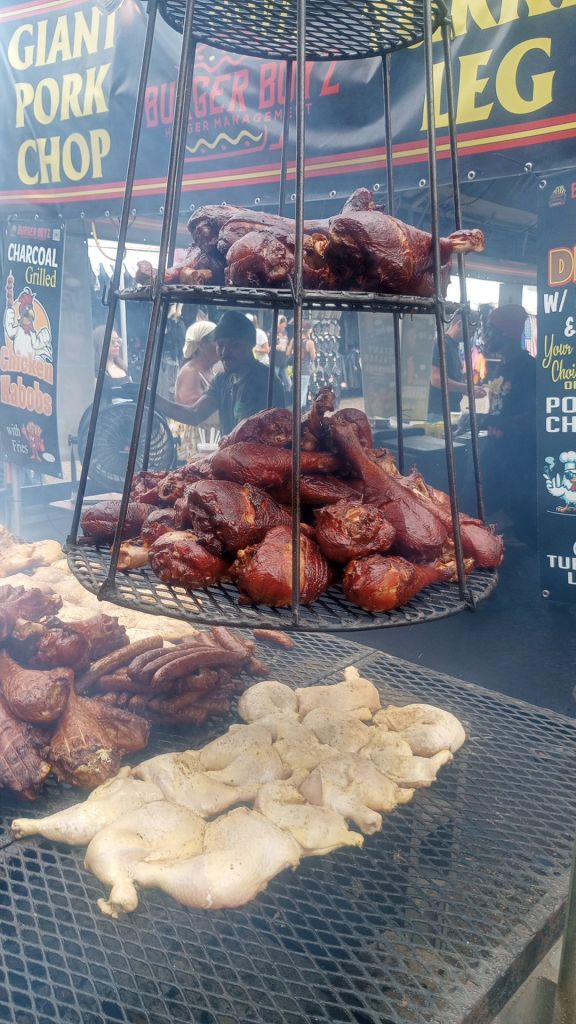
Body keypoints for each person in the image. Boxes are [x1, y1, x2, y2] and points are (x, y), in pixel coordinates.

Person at [175, 311, 285, 434]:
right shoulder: (222, 380)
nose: (225, 352)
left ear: (250, 345)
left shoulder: (265, 382)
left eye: (234, 345)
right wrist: (152, 398)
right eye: (220, 345)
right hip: (229, 452)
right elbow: (194, 414)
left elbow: (247, 435)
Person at [481, 303, 536, 545]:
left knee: (520, 513)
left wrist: (494, 421)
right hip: (498, 452)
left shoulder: (528, 368)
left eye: (491, 329)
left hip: (519, 456)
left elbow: (534, 416)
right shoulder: (500, 365)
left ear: (506, 333)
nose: (485, 335)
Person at [428, 316, 485, 420]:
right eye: (471, 331)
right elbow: (436, 379)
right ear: (459, 324)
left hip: (450, 409)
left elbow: (451, 379)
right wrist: (468, 389)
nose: (471, 335)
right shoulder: (439, 344)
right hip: (437, 411)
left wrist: (468, 391)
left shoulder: (453, 346)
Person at [175, 321, 219, 405]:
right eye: (217, 341)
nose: (221, 346)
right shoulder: (190, 372)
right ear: (201, 344)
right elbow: (190, 411)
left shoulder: (210, 370)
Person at [288, 320, 316, 409]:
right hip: (305, 370)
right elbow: (313, 357)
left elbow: (287, 353)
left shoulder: (294, 340)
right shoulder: (309, 342)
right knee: (303, 391)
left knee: (297, 391)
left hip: (295, 369)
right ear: (309, 330)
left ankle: (299, 411)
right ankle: (299, 412)